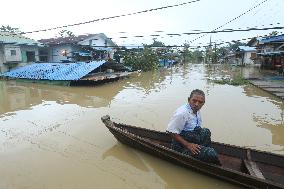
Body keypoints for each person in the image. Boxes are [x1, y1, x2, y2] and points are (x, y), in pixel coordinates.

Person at [166, 89, 221, 165]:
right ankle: (209, 159)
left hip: (192, 139)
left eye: (200, 102)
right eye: (194, 101)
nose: (197, 104)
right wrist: (188, 145)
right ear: (189, 100)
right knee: (212, 153)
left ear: (203, 103)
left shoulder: (196, 110)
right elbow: (171, 131)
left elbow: (196, 129)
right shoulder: (182, 113)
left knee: (206, 131)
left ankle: (201, 153)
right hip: (181, 147)